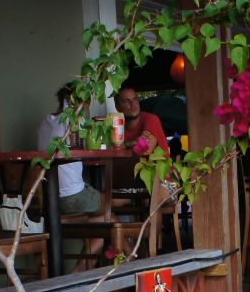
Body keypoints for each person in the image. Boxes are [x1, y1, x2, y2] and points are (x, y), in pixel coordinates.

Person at [36, 86, 102, 216]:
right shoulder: (74, 121)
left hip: (49, 196)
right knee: (111, 204)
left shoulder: (45, 122)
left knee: (102, 217)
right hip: (71, 194)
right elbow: (89, 149)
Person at [115, 88, 170, 155]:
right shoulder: (117, 124)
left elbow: (145, 150)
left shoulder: (151, 119)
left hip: (156, 165)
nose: (132, 104)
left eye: (135, 99)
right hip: (130, 165)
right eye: (126, 101)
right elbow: (112, 149)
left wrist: (126, 145)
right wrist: (133, 142)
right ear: (117, 107)